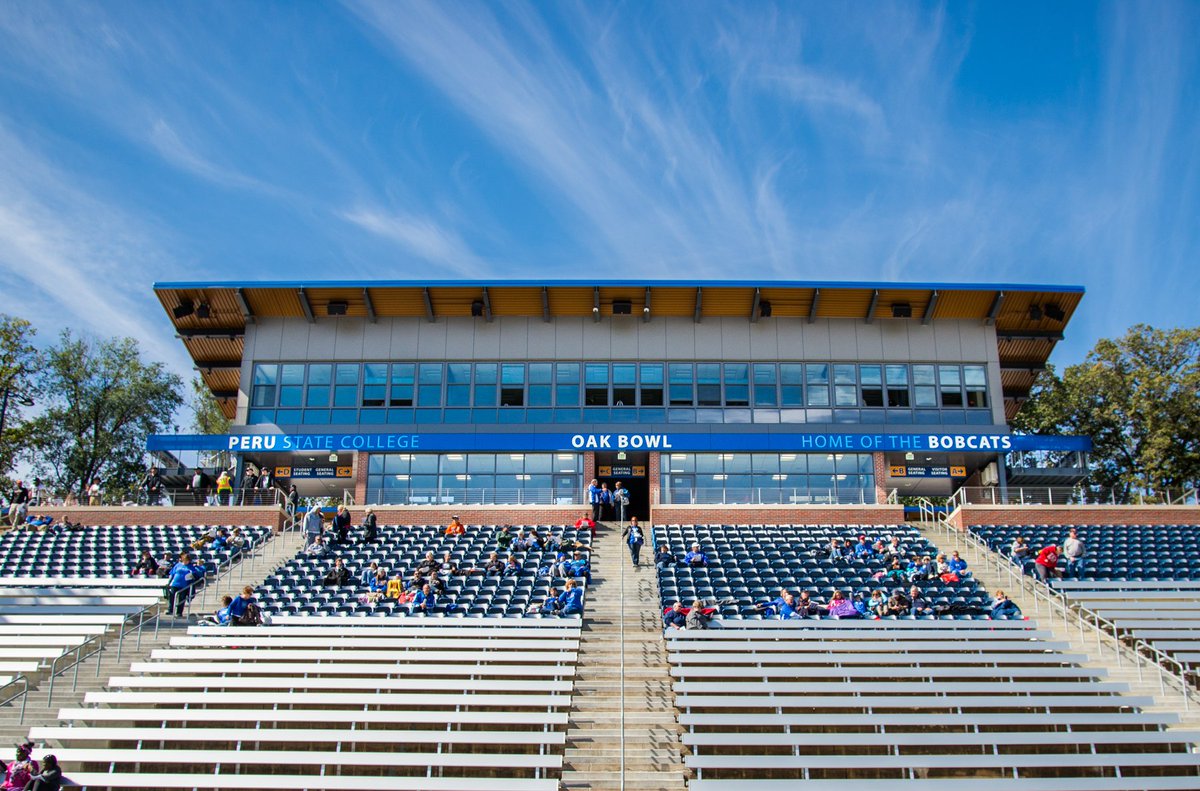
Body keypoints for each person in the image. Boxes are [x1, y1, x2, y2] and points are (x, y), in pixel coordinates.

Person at [166, 552, 206, 618]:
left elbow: (195, 575)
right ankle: (170, 610)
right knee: (172, 596)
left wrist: (191, 576)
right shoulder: (178, 565)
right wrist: (169, 582)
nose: (185, 562)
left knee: (181, 599)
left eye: (187, 560)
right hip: (175, 583)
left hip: (184, 585)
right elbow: (172, 574)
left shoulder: (191, 567)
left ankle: (179, 612)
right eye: (184, 560)